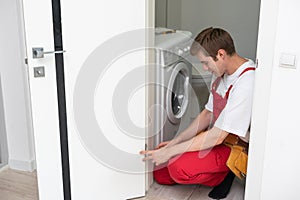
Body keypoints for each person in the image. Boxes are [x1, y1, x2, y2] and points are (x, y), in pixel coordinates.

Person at [140, 27, 255, 199]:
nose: (205, 68)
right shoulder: (221, 73)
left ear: (221, 54)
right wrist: (174, 142)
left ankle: (225, 174)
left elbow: (217, 136)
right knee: (161, 173)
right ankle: (205, 166)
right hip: (217, 137)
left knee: (177, 168)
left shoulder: (246, 82)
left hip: (234, 146)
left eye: (206, 62)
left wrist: (171, 153)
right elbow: (207, 114)